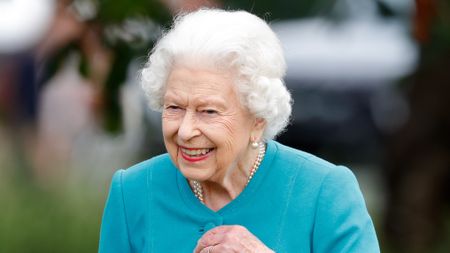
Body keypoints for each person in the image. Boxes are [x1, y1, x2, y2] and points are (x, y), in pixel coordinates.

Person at [98, 9, 380, 253]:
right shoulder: (132, 192)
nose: (185, 131)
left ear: (258, 119)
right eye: (174, 107)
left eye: (208, 111)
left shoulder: (325, 192)